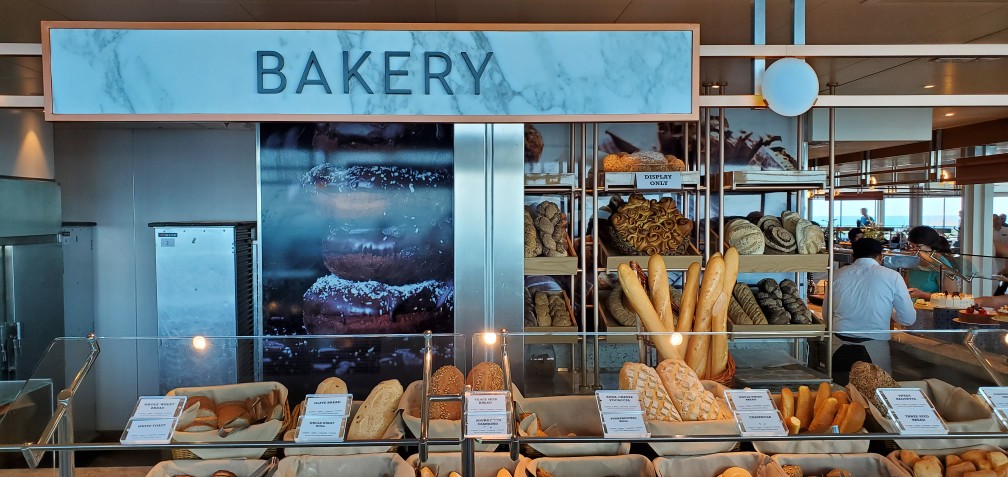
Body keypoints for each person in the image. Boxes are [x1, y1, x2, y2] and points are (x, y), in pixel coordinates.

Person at [830, 238, 916, 382]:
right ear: (880, 256)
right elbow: (908, 319)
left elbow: (828, 314)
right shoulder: (892, 276)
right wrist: (890, 313)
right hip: (875, 347)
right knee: (877, 397)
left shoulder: (837, 274)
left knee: (839, 396)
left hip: (838, 345)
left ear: (853, 256)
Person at [905, 225, 958, 300]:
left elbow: (952, 296)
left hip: (932, 309)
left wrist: (923, 294)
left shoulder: (942, 265)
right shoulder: (915, 261)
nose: (913, 250)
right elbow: (906, 285)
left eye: (917, 246)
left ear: (931, 245)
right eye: (911, 245)